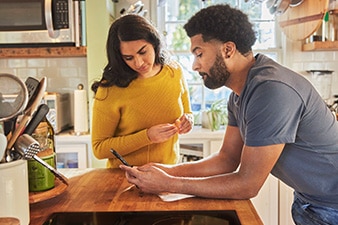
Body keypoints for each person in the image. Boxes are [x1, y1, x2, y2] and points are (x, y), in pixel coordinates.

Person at [120, 4, 338, 225]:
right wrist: (168, 171)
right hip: (308, 201)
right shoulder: (239, 95)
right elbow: (226, 159)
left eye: (199, 54)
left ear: (227, 50)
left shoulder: (271, 90)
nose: (195, 66)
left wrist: (168, 184)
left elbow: (247, 184)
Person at [91, 14, 193, 168]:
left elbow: (187, 113)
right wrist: (147, 137)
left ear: (154, 43)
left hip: (168, 175)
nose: (138, 63)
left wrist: (188, 120)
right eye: (128, 58)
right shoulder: (110, 88)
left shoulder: (174, 72)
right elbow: (99, 149)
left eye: (142, 52)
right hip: (124, 178)